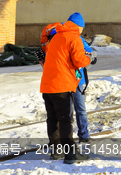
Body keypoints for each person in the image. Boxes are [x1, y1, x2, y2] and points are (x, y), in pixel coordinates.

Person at [40, 12, 93, 164]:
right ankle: (70, 154)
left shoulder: (55, 37)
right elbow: (79, 61)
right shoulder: (74, 38)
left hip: (46, 85)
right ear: (79, 27)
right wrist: (89, 58)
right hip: (61, 85)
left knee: (52, 119)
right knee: (65, 119)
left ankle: (56, 151)